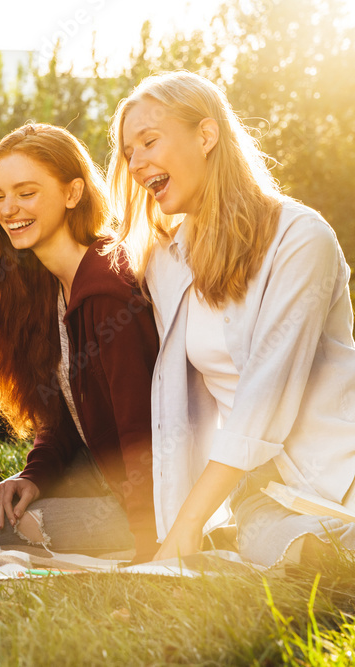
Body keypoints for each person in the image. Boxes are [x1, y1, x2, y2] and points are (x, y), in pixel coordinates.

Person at [109, 70, 355, 566]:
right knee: (289, 550)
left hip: (339, 468)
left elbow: (265, 394)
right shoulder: (166, 261)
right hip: (263, 492)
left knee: (317, 553)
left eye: (149, 141)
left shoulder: (301, 238)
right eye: (127, 151)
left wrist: (187, 525)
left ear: (206, 135)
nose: (135, 163)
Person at [0, 124, 159, 563]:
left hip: (146, 506)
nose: (8, 208)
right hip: (96, 481)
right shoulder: (47, 290)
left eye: (26, 192)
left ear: (73, 193)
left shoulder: (109, 289)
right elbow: (63, 415)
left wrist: (153, 546)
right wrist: (33, 478)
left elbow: (139, 428)